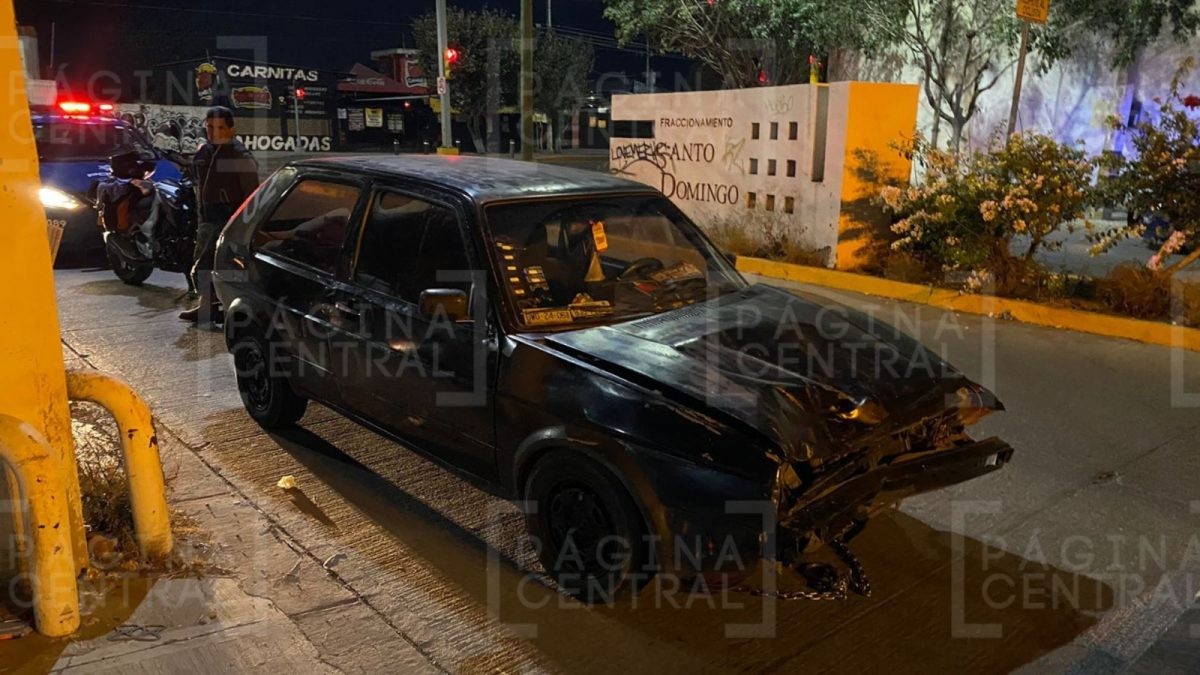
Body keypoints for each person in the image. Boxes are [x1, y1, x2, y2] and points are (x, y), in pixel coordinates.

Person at [179, 106, 259, 325]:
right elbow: (198, 183)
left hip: (229, 219)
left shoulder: (239, 155)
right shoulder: (204, 152)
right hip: (207, 217)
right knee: (203, 264)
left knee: (220, 266)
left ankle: (224, 309)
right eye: (210, 127)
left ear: (231, 129)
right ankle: (206, 307)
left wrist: (242, 224)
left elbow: (251, 194)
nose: (214, 132)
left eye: (221, 128)